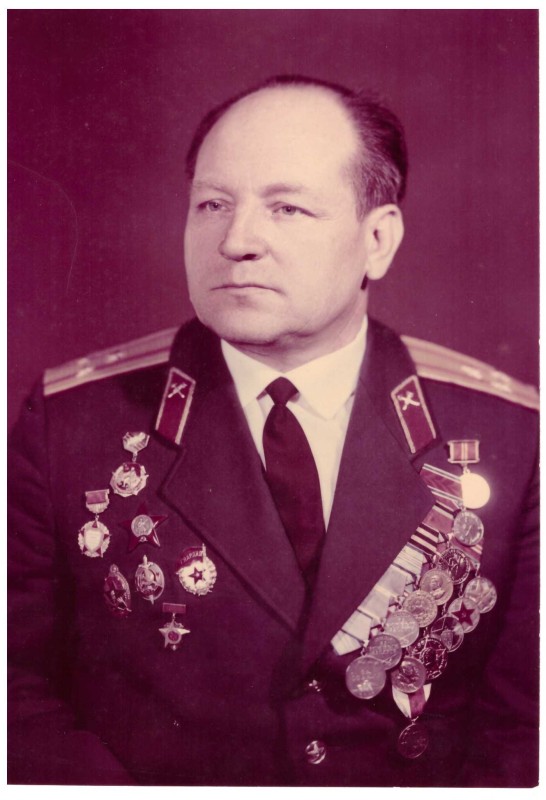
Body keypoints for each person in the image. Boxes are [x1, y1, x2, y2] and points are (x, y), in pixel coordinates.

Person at [8, 75, 539, 787]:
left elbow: (527, 729)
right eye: (212, 204)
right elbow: (15, 698)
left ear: (377, 240)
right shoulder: (71, 422)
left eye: (287, 208)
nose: (236, 242)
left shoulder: (511, 436)